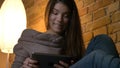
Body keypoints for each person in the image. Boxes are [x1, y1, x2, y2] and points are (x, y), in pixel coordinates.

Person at [12, 0, 84, 68]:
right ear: (49, 14)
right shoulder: (29, 38)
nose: (59, 19)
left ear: (71, 19)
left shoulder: (73, 47)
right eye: (55, 13)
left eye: (66, 16)